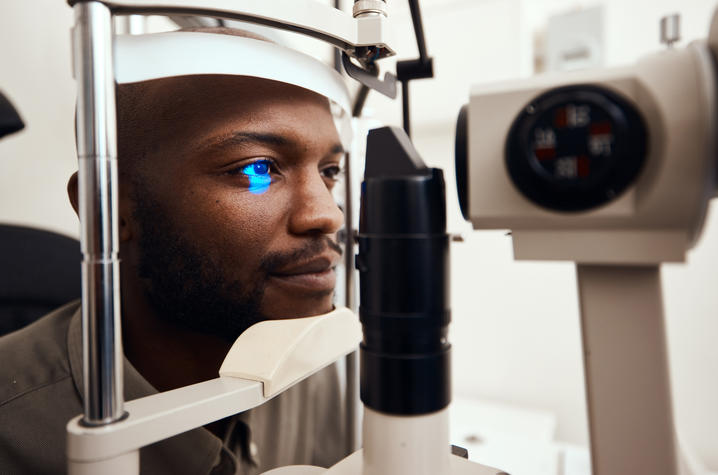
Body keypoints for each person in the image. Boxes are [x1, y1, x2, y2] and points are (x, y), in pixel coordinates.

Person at [0, 28, 349, 474]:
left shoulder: (318, 365)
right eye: (257, 169)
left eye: (329, 170)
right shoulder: (12, 436)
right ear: (105, 208)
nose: (326, 215)